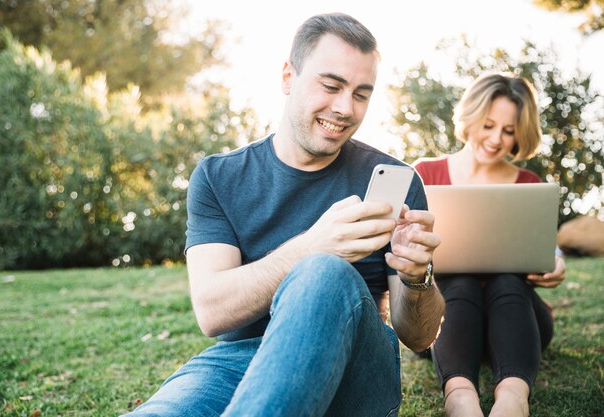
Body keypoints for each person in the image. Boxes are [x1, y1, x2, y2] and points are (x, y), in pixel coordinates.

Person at [123, 13, 445, 417]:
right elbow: (213, 311)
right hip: (240, 364)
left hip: (356, 372)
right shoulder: (218, 177)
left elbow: (419, 338)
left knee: (324, 273)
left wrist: (417, 279)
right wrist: (313, 246)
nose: (345, 108)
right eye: (331, 86)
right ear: (288, 77)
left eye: (361, 94)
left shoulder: (399, 182)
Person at [414, 72, 566, 417]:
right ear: (471, 116)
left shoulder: (528, 183)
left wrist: (555, 260)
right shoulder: (424, 173)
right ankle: (460, 399)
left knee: (507, 279)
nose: (496, 138)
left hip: (516, 316)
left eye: (509, 130)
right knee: (459, 280)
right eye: (488, 124)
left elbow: (546, 244)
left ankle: (512, 400)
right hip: (442, 318)